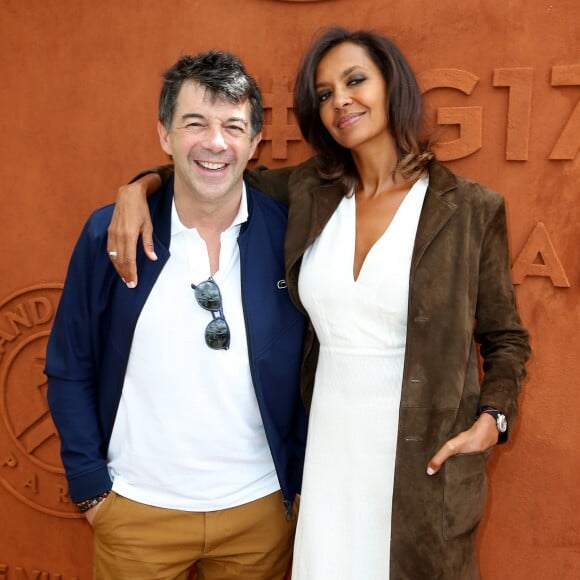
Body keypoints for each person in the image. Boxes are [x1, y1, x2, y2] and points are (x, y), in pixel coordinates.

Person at [107, 28, 531, 580]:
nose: (340, 101)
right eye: (325, 94)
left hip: (423, 462)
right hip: (329, 452)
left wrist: (493, 420)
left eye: (355, 81)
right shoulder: (312, 190)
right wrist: (139, 187)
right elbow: (217, 173)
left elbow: (505, 337)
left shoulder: (470, 209)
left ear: (392, 85)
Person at [45, 50, 307, 580]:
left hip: (258, 513)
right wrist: (90, 487)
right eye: (195, 124)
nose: (215, 142)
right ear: (165, 135)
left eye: (233, 126)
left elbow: (315, 362)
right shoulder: (110, 236)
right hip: (136, 512)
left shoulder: (288, 236)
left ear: (254, 143)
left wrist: (295, 485)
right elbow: (69, 366)